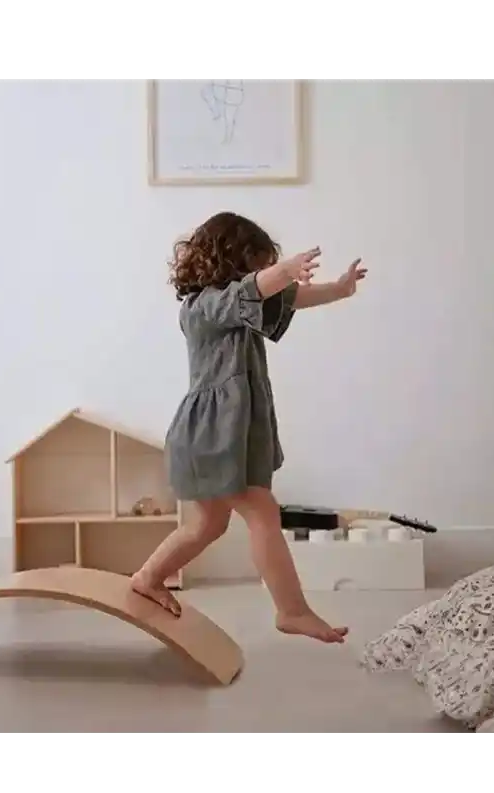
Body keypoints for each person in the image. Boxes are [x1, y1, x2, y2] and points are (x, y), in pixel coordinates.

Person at [130, 212, 367, 644]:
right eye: (256, 266)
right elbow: (258, 288)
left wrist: (338, 289)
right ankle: (291, 610)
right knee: (260, 510)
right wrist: (283, 269)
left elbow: (288, 297)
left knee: (207, 525)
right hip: (210, 433)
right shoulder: (202, 308)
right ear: (233, 263)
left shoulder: (243, 306)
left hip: (228, 432)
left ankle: (147, 577)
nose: (264, 278)